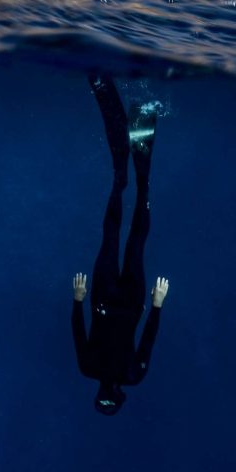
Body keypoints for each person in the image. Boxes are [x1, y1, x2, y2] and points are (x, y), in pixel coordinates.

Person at [72, 74, 169, 415]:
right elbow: (146, 341)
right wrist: (156, 307)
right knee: (121, 234)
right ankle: (126, 164)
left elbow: (81, 333)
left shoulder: (126, 376)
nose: (109, 390)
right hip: (116, 299)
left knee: (126, 235)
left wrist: (155, 307)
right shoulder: (111, 372)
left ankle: (129, 154)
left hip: (123, 302)